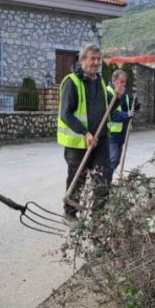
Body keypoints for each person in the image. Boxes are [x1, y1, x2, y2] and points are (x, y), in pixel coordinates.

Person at [57, 44, 122, 218]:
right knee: (78, 179)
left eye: (98, 59)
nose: (96, 62)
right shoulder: (72, 82)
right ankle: (70, 213)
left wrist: (117, 97)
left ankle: (98, 217)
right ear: (83, 60)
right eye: (92, 58)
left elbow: (108, 106)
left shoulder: (99, 81)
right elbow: (65, 114)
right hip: (79, 142)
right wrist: (85, 133)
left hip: (100, 141)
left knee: (104, 179)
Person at [107, 69, 140, 177]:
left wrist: (135, 104)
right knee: (113, 160)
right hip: (111, 135)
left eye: (125, 82)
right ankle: (104, 185)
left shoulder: (124, 94)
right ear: (114, 81)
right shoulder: (108, 93)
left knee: (115, 161)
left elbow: (128, 108)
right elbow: (111, 114)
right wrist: (127, 115)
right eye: (122, 82)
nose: (124, 84)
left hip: (121, 134)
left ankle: (106, 184)